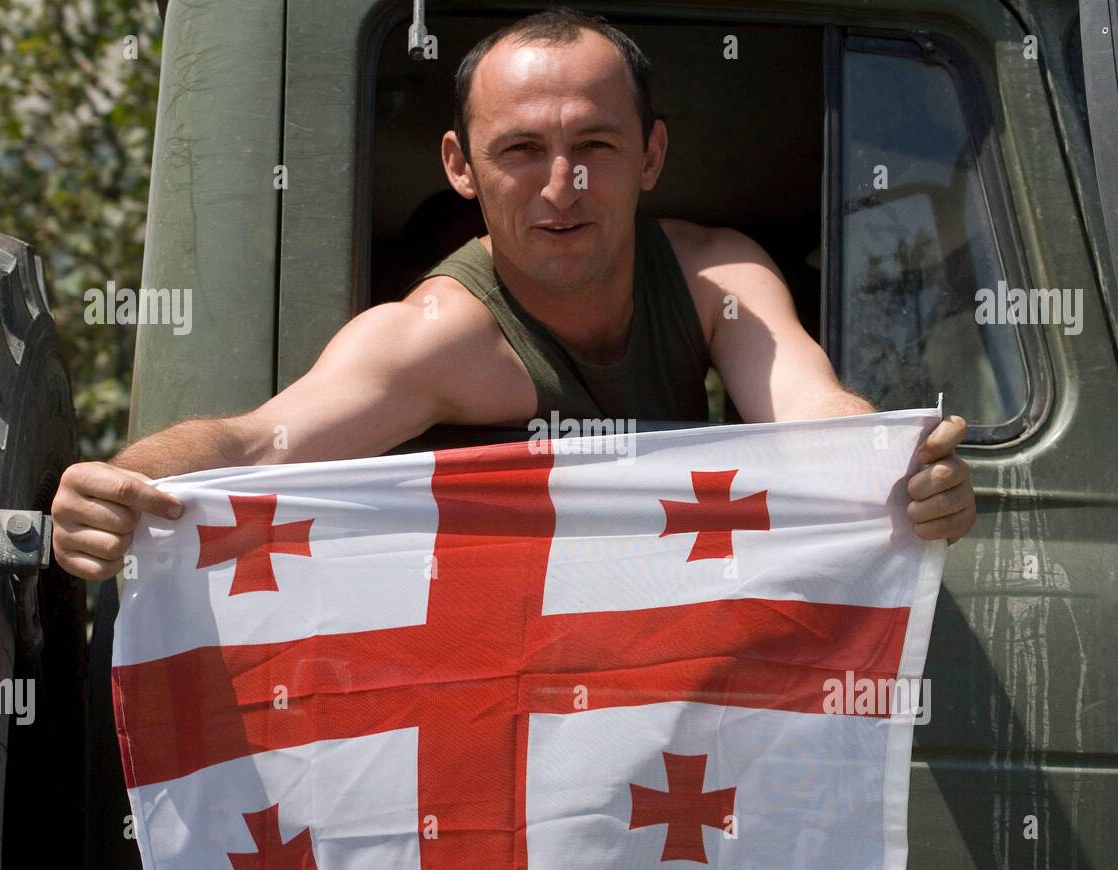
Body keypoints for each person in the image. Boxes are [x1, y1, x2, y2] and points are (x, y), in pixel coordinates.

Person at [52, 7, 976, 582]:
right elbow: (256, 444)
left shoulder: (716, 279)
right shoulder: (439, 338)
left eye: (597, 148)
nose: (562, 186)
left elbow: (817, 416)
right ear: (461, 167)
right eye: (522, 151)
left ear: (652, 154)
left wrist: (901, 471)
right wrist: (124, 486)